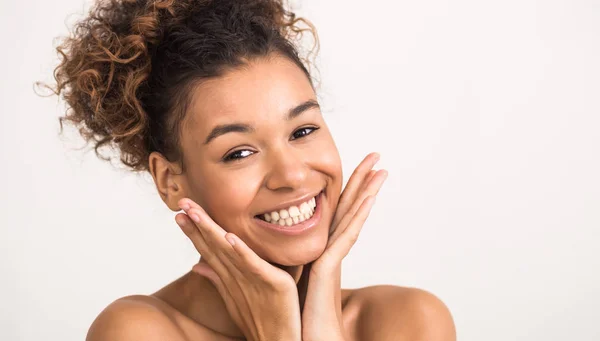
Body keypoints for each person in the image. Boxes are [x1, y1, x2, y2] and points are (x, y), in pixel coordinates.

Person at [48, 0, 455, 339]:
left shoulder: (407, 322)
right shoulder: (139, 331)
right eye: (239, 153)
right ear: (171, 180)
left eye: (303, 130)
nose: (292, 175)